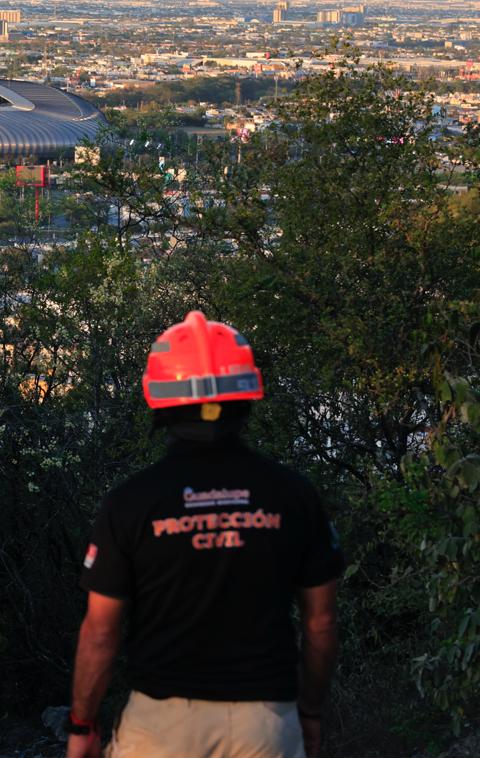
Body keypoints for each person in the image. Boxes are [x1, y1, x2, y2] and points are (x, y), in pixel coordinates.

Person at [67, 310, 342, 758]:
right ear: (246, 397)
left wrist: (82, 724)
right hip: (267, 723)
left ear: (160, 400)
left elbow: (101, 633)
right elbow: (322, 622)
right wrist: (309, 712)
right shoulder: (293, 493)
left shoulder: (131, 502)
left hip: (161, 727)